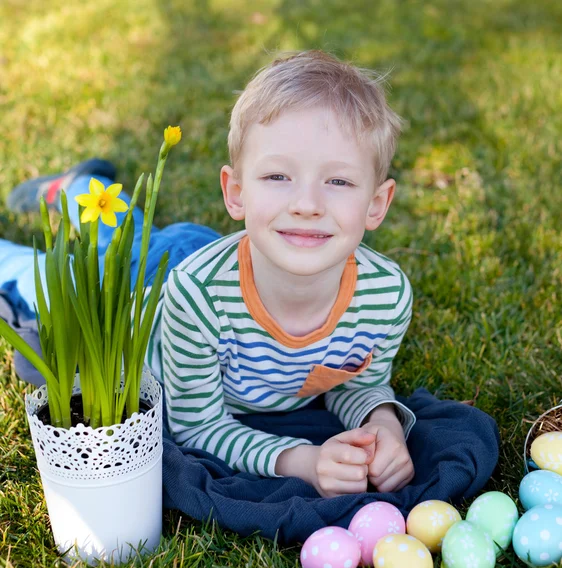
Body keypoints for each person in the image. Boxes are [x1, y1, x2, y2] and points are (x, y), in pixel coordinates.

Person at [4, 50, 415, 499]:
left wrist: (383, 425)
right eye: (278, 176)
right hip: (147, 291)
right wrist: (304, 461)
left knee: (129, 228)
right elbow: (197, 424)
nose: (307, 204)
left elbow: (358, 382)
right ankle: (76, 190)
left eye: (338, 182)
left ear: (377, 203)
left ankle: (81, 184)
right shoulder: (196, 298)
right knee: (58, 272)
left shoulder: (386, 297)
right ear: (236, 193)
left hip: (227, 255)